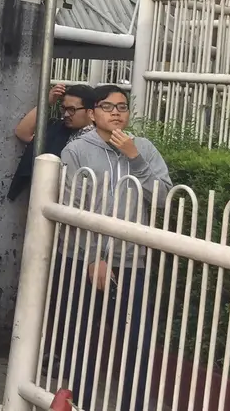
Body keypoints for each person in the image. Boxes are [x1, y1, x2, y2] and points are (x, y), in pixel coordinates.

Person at [53, 84, 171, 411]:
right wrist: (94, 257)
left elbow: (162, 198)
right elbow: (72, 207)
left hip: (131, 261)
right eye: (107, 107)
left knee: (137, 340)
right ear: (92, 114)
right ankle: (79, 403)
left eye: (122, 107)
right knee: (81, 339)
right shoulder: (77, 151)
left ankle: (133, 403)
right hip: (82, 259)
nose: (116, 113)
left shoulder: (143, 148)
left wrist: (135, 158)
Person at [7, 83, 96, 200]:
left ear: (90, 112)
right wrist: (46, 102)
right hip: (50, 200)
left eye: (72, 110)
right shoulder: (57, 129)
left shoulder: (98, 138)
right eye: (63, 108)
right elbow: (22, 132)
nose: (66, 114)